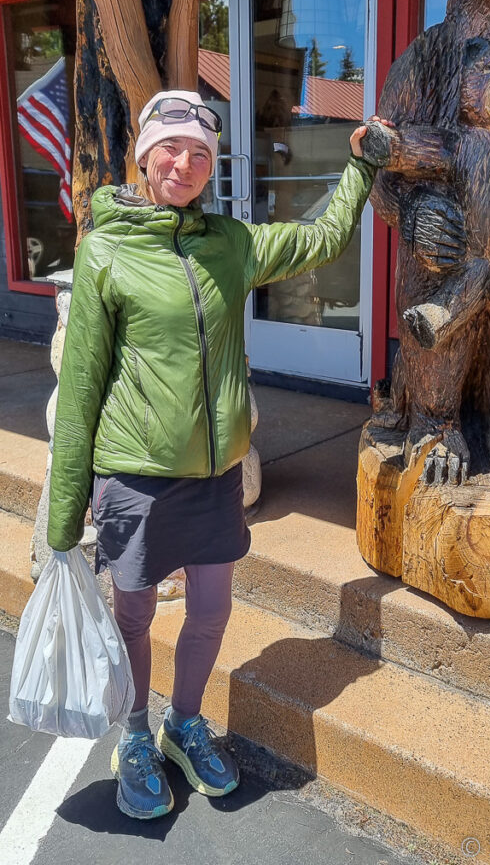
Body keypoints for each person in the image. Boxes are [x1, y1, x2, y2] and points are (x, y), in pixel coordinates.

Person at [47, 89, 390, 820]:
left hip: (214, 475)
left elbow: (318, 241)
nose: (185, 162)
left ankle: (184, 724)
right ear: (144, 156)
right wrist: (61, 521)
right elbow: (79, 393)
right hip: (136, 476)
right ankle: (135, 735)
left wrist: (357, 170)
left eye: (201, 153)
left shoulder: (229, 244)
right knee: (134, 619)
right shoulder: (106, 250)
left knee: (209, 613)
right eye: (171, 147)